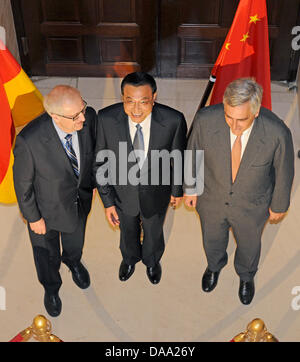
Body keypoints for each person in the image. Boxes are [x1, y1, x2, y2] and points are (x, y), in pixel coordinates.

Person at [184, 78, 294, 305]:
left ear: (255, 112)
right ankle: (214, 266)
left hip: (253, 204)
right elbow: (192, 154)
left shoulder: (277, 132)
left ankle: (246, 275)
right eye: (228, 117)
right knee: (211, 238)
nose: (233, 127)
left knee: (249, 243)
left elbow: (284, 172)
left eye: (241, 120)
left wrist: (279, 205)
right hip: (211, 197)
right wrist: (190, 188)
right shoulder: (205, 120)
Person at [94, 72, 187, 284]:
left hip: (156, 192)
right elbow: (100, 163)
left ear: (154, 98)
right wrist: (107, 202)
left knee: (154, 230)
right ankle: (129, 258)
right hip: (121, 194)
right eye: (130, 101)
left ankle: (152, 260)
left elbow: (179, 159)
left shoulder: (174, 120)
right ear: (122, 98)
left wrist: (176, 190)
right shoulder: (106, 119)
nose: (136, 109)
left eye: (143, 102)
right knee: (127, 230)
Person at [13, 85, 97, 317]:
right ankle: (51, 288)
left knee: (75, 240)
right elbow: (23, 186)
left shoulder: (88, 117)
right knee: (46, 255)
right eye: (74, 116)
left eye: (83, 109)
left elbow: (94, 154)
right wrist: (34, 218)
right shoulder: (29, 141)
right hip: (45, 213)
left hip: (79, 202)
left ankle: (73, 261)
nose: (82, 118)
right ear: (54, 116)